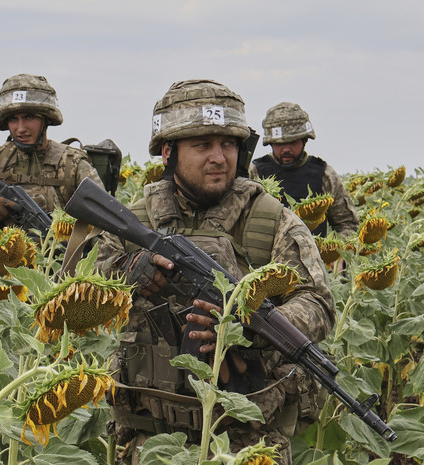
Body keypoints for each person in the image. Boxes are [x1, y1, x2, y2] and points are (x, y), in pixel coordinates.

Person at [92, 80, 335, 464]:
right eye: (202, 145)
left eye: (228, 144)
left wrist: (248, 327)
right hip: (150, 439)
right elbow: (87, 298)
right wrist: (131, 272)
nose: (219, 157)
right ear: (168, 152)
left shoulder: (271, 220)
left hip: (246, 446)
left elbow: (318, 304)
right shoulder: (136, 220)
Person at [0, 73, 104, 228]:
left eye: (29, 117)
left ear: (46, 119)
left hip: (63, 253)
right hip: (1, 252)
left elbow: (106, 226)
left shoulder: (73, 165)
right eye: (13, 119)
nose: (20, 128)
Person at [249, 102, 358, 237]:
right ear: (270, 143)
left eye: (293, 142)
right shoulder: (254, 173)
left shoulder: (324, 175)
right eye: (280, 144)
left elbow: (347, 223)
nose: (286, 149)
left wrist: (339, 253)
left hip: (314, 257)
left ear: (304, 140)